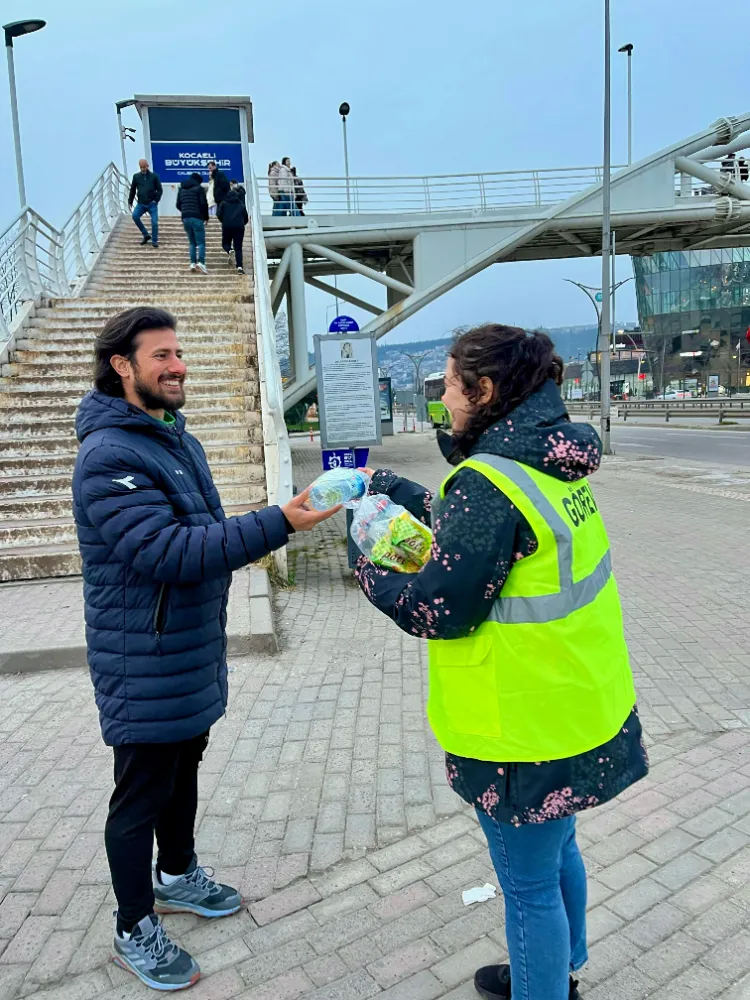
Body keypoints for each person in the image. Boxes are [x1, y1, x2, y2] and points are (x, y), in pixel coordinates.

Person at [355, 324, 648, 1000]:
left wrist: (368, 570)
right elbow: (486, 540)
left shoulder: (488, 482)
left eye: (450, 387)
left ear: (484, 392)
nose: (445, 403)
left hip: (521, 729)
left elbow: (439, 607)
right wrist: (398, 488)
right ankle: (561, 968)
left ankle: (543, 985)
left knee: (526, 885)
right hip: (579, 705)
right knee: (556, 852)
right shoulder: (549, 459)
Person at [72, 306, 339, 991]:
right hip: (144, 659)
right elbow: (167, 551)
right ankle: (135, 925)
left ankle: (177, 874)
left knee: (183, 768)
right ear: (122, 367)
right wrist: (279, 522)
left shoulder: (170, 438)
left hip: (186, 650)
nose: (178, 365)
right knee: (138, 796)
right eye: (161, 356)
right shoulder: (108, 456)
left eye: (179, 353)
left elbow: (205, 532)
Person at [176, 172, 209, 274]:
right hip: (197, 217)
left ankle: (192, 263)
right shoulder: (199, 189)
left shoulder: (181, 189)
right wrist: (206, 217)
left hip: (186, 218)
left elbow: (178, 204)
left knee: (192, 242)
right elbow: (204, 204)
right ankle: (201, 263)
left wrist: (185, 211)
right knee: (201, 242)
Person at [128, 159, 162, 247]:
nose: (143, 169)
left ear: (147, 166)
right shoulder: (136, 176)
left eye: (144, 167)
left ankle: (154, 241)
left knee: (154, 222)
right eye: (141, 167)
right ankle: (146, 235)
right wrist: (130, 201)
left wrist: (156, 200)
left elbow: (159, 190)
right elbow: (133, 190)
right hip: (141, 203)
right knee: (135, 216)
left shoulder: (154, 176)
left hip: (152, 204)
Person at [216, 183, 249, 273]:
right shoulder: (241, 204)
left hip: (227, 226)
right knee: (238, 248)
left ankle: (229, 250)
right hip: (239, 227)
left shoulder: (223, 203)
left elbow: (218, 214)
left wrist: (224, 221)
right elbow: (246, 217)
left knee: (225, 243)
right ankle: (240, 267)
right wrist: (242, 223)